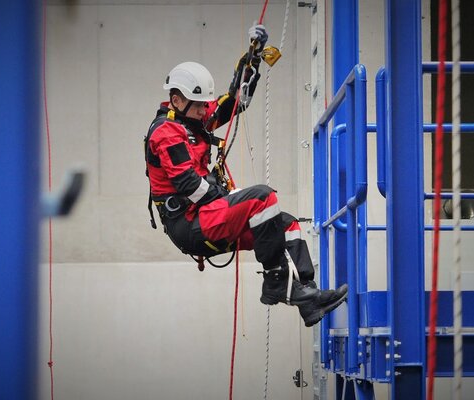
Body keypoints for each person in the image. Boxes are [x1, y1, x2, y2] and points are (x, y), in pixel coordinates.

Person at [144, 24, 347, 327]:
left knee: (286, 224)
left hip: (207, 216)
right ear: (176, 100)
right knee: (263, 197)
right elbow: (187, 184)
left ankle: (307, 295)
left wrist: (251, 61)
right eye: (199, 105)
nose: (204, 111)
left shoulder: (192, 122)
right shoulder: (166, 133)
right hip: (190, 224)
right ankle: (275, 283)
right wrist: (228, 202)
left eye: (203, 105)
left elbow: (235, 102)